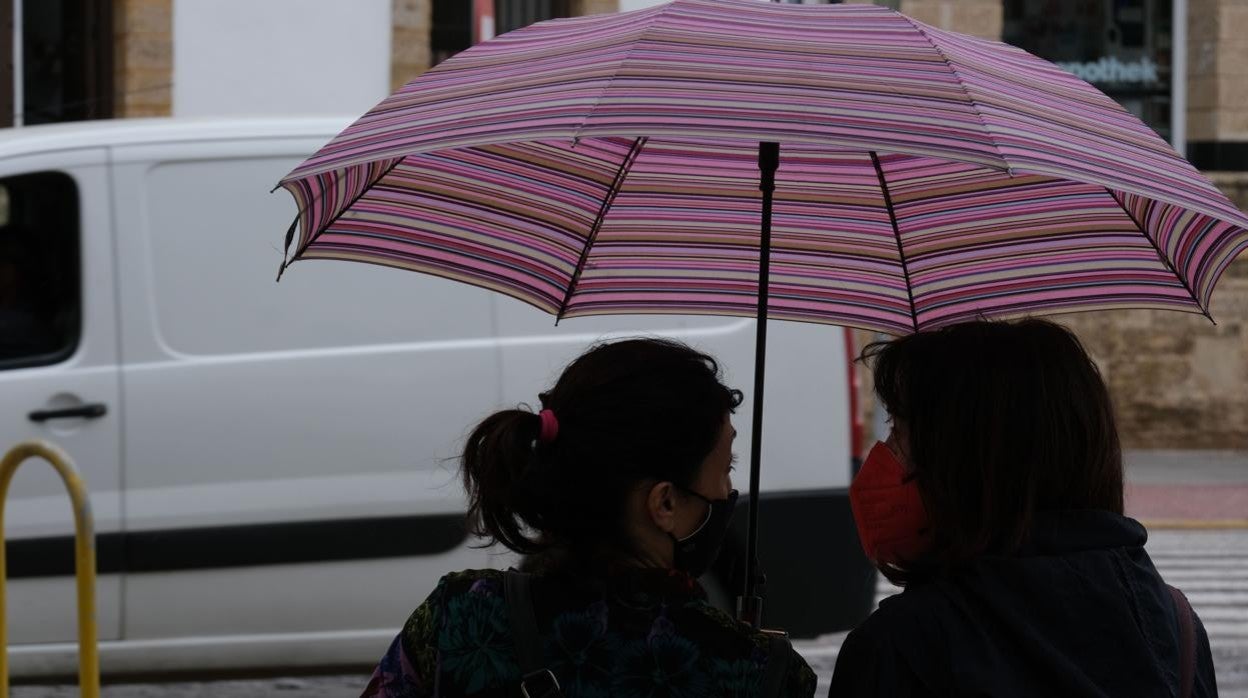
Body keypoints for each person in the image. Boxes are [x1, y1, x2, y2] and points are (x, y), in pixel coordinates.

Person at [363, 337, 816, 697]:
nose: (726, 492)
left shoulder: (458, 616)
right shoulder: (760, 672)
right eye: (726, 469)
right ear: (665, 505)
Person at [831, 318, 1218, 698]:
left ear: (962, 461)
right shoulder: (1178, 632)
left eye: (898, 432)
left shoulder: (898, 650)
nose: (885, 456)